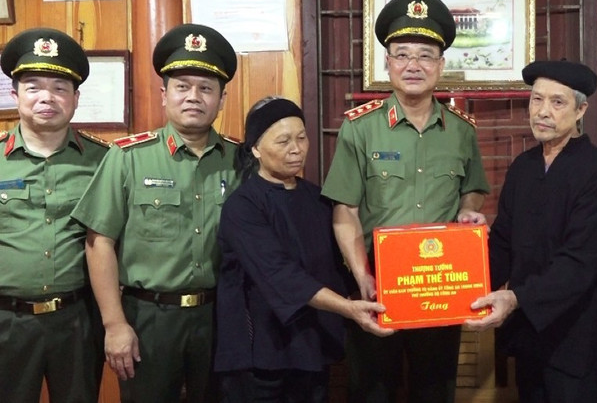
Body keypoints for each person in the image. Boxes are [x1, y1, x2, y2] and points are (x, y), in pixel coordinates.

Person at [321, 0, 491, 403]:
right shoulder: (360, 128)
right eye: (402, 54)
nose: (413, 65)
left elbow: (473, 191)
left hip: (439, 279)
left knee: (436, 389)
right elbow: (344, 209)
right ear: (387, 63)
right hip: (376, 281)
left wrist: (470, 214)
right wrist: (362, 275)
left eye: (425, 55)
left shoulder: (462, 130)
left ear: (441, 65)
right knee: (371, 390)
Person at [71, 23, 240, 403]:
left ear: (222, 98)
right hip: (148, 319)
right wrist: (114, 325)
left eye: (206, 88)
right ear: (164, 95)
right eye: (182, 87)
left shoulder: (240, 160)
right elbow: (99, 243)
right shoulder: (129, 157)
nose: (193, 97)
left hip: (219, 316)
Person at [215, 96, 395, 402]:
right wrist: (349, 309)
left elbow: (337, 266)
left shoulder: (317, 198)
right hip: (260, 353)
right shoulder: (242, 206)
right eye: (283, 141)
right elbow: (280, 275)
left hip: (311, 347)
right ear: (255, 149)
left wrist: (378, 290)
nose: (296, 149)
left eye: (301, 138)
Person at [465, 60, 597, 403]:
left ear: (581, 110)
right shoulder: (524, 166)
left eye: (557, 102)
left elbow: (578, 264)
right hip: (527, 333)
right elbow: (504, 242)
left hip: (574, 339)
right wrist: (462, 281)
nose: (543, 112)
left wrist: (516, 298)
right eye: (536, 100)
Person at [0, 28, 109, 402]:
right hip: (6, 322)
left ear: (76, 99)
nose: (47, 96)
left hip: (77, 319)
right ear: (15, 95)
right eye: (33, 86)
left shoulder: (105, 161)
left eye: (60, 87)